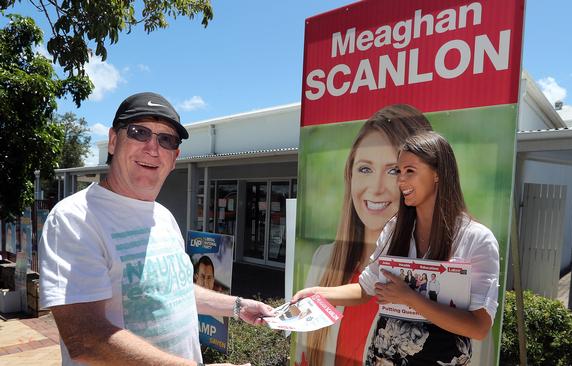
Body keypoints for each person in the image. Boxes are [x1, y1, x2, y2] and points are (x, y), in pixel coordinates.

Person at [39, 92, 274, 366]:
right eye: (139, 132)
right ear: (113, 141)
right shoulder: (74, 218)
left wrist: (238, 306)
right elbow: (85, 338)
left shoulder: (163, 217)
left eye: (166, 139)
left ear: (175, 157)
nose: (153, 148)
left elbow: (174, 290)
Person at [294, 131, 500, 365]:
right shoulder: (394, 229)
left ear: (438, 174)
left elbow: (479, 327)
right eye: (398, 171)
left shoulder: (477, 239)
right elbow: (365, 289)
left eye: (410, 171)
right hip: (382, 358)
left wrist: (410, 298)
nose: (401, 181)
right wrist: (318, 293)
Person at [299, 104, 432, 366]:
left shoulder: (431, 274)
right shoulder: (323, 261)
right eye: (365, 169)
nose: (376, 187)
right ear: (350, 175)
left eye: (394, 170)